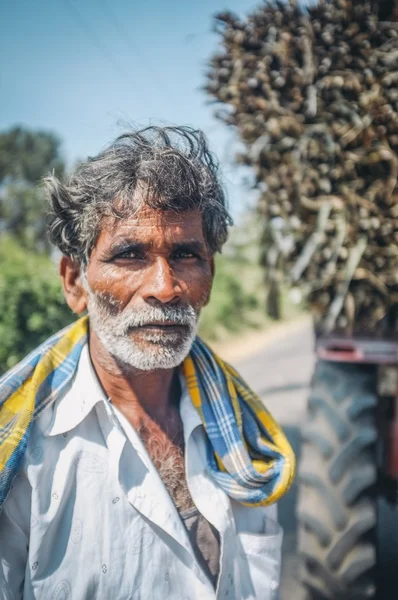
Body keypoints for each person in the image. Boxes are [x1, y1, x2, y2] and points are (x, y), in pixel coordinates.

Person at [0, 126, 295, 600]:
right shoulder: (24, 451)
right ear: (75, 281)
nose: (165, 286)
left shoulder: (244, 434)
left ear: (210, 276)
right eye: (130, 254)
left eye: (185, 255)